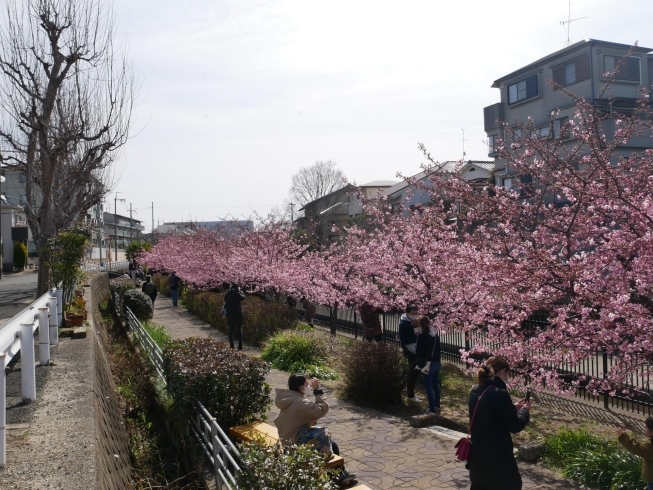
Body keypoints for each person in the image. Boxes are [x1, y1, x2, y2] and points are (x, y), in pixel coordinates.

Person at [274, 374, 358, 487]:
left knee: (329, 442)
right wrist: (317, 391)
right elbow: (321, 409)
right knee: (332, 444)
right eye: (306, 384)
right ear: (300, 388)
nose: (309, 386)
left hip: (287, 442)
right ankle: (337, 477)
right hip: (296, 444)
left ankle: (341, 474)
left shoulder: (288, 399)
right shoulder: (300, 402)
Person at [467, 356, 531, 490]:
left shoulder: (476, 389)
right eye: (508, 373)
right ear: (502, 371)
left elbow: (489, 413)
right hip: (498, 456)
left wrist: (513, 408)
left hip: (478, 454)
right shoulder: (500, 393)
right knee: (511, 485)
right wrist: (524, 411)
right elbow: (515, 425)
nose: (508, 377)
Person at [415, 315, 441, 413]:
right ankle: (437, 404)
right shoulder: (435, 335)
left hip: (428, 364)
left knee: (428, 386)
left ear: (420, 325)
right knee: (435, 384)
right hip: (437, 362)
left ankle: (431, 408)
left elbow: (418, 351)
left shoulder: (422, 336)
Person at [617, 418, 653, 490]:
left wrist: (623, 437)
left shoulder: (650, 448)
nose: (644, 430)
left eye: (646, 428)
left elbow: (635, 447)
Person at [399, 304, 421, 402]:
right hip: (410, 351)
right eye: (413, 313)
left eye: (416, 313)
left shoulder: (415, 321)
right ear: (407, 313)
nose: (415, 315)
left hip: (416, 349)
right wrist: (415, 336)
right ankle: (410, 395)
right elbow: (404, 340)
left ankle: (410, 393)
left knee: (415, 372)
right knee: (412, 372)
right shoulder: (403, 324)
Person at [224, 283, 245, 350]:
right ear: (237, 288)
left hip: (230, 314)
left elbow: (224, 299)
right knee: (239, 329)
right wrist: (241, 291)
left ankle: (231, 345)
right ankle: (240, 345)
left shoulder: (228, 294)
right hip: (237, 314)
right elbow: (243, 297)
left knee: (231, 330)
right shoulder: (237, 294)